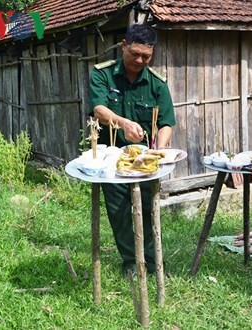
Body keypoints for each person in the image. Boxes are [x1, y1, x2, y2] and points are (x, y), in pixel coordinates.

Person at [88, 24, 176, 275]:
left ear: (153, 53)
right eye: (134, 53)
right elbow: (99, 109)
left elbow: (167, 122)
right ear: (123, 45)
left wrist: (158, 151)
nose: (139, 60)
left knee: (149, 208)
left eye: (146, 56)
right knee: (118, 211)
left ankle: (152, 259)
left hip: (146, 160)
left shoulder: (157, 83)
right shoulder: (102, 74)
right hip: (112, 158)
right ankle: (130, 261)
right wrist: (123, 123)